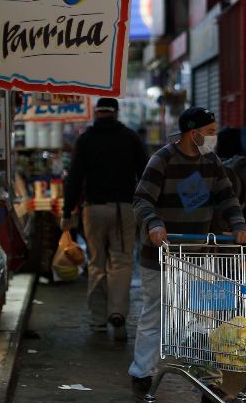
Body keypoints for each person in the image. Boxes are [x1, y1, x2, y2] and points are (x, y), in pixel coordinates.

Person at [129, 107, 246, 403]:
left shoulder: (212, 162)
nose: (213, 138)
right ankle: (142, 373)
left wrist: (239, 225)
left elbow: (226, 198)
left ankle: (208, 382)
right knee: (156, 314)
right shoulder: (163, 160)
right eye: (209, 132)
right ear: (190, 132)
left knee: (199, 318)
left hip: (195, 256)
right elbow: (142, 200)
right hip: (160, 255)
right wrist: (155, 224)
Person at [61, 98, 148, 341]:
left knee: (96, 262)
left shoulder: (85, 139)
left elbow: (75, 178)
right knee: (121, 262)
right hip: (124, 208)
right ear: (116, 113)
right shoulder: (131, 137)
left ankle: (98, 319)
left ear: (96, 113)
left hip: (94, 209)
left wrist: (67, 213)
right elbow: (145, 175)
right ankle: (118, 313)